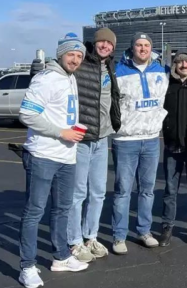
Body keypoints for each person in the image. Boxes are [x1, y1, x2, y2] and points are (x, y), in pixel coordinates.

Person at [18, 33, 89, 288]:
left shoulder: (70, 78)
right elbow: (27, 115)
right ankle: (27, 266)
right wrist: (61, 132)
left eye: (79, 55)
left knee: (62, 209)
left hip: (67, 156)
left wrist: (72, 132)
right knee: (34, 212)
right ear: (61, 54)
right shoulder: (46, 78)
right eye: (71, 54)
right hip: (43, 155)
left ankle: (60, 257)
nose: (75, 59)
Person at [65, 28, 121, 262]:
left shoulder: (109, 66)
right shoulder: (82, 63)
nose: (105, 46)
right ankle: (74, 241)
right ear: (95, 43)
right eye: (102, 42)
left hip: (102, 137)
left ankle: (91, 236)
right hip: (82, 138)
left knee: (98, 192)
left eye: (110, 43)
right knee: (77, 192)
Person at [111, 32, 169, 254]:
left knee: (147, 190)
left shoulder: (161, 71)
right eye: (139, 45)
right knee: (123, 191)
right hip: (126, 140)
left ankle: (144, 230)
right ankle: (119, 236)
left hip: (152, 139)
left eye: (146, 45)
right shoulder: (118, 70)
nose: (143, 48)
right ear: (132, 47)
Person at [158, 49, 187, 247]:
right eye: (180, 62)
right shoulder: (166, 85)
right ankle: (167, 227)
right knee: (170, 190)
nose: (184, 65)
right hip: (172, 146)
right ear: (175, 65)